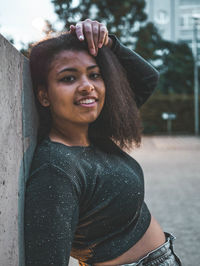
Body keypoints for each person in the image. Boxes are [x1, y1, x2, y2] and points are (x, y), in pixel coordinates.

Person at [24, 19, 181, 266]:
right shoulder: (56, 170)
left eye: (95, 74)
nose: (87, 86)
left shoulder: (94, 134)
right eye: (68, 78)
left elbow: (148, 79)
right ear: (44, 95)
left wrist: (108, 44)